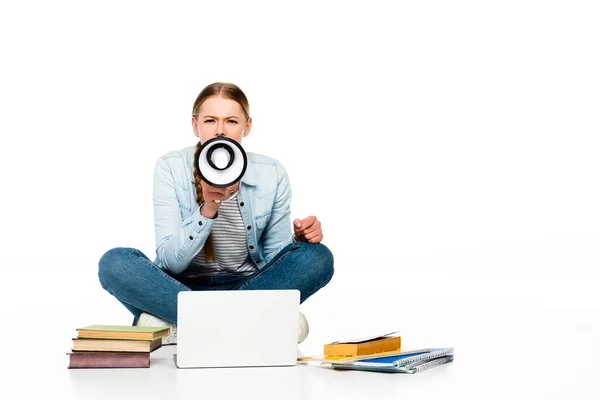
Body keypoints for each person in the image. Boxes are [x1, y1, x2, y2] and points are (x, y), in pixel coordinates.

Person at [98, 82, 335, 344]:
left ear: (247, 126)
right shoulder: (170, 167)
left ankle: (182, 328)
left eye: (231, 121)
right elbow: (170, 260)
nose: (220, 130)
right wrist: (207, 209)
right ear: (195, 124)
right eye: (210, 120)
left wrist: (298, 243)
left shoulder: (272, 173)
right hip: (178, 292)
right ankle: (253, 327)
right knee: (114, 262)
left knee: (317, 257)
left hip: (249, 288)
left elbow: (272, 264)